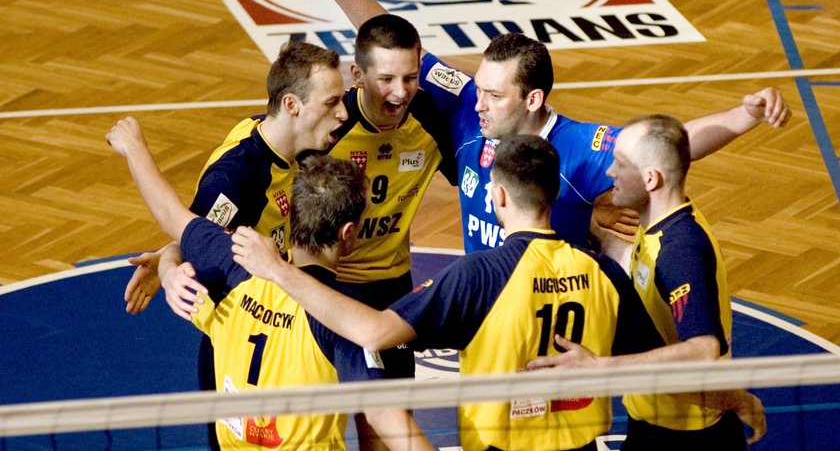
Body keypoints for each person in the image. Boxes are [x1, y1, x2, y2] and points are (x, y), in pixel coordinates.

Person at [277, 0, 792, 252]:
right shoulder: (467, 106)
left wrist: (743, 116)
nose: (478, 103)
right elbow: (387, 36)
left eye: (494, 95)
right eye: (480, 89)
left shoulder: (576, 147)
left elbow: (667, 144)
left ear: (533, 100)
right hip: (484, 317)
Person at [229, 135, 667, 451]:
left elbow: (375, 331)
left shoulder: (479, 276)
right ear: (552, 194)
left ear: (498, 196)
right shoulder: (603, 272)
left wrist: (279, 272)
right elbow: (658, 364)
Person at [107, 117, 432, 451]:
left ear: (294, 215)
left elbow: (170, 213)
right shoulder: (344, 318)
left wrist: (134, 147)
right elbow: (382, 414)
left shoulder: (236, 266)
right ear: (348, 234)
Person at [121, 40, 348, 449]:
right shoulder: (237, 177)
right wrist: (170, 265)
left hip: (285, 325)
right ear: (292, 105)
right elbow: (190, 229)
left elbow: (195, 228)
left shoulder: (285, 138)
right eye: (332, 103)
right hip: (238, 342)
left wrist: (164, 259)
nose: (343, 113)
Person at [526, 114, 766, 450]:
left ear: (650, 178)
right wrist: (589, 230)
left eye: (620, 165)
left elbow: (703, 349)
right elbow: (641, 268)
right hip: (654, 422)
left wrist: (599, 368)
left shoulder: (680, 251)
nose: (609, 173)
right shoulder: (659, 224)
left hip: (686, 437)